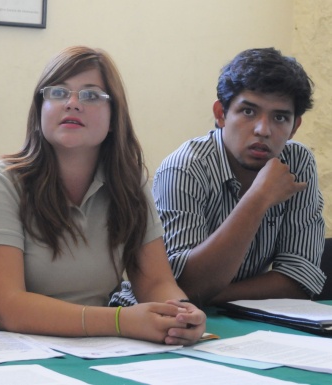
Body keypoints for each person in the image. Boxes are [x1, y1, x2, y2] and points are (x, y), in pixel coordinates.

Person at [0, 46, 206, 345]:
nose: (72, 103)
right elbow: (9, 309)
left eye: (90, 95)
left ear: (114, 118)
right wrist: (120, 321)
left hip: (94, 348)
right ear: (40, 110)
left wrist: (180, 314)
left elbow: (156, 282)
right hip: (2, 352)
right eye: (58, 93)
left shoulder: (129, 184)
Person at [113, 47, 325, 308]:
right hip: (152, 316)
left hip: (239, 314)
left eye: (280, 117)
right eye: (248, 112)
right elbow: (181, 287)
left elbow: (300, 279)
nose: (263, 130)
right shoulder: (186, 167)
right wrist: (258, 199)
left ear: (294, 127)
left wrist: (212, 295)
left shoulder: (297, 162)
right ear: (221, 114)